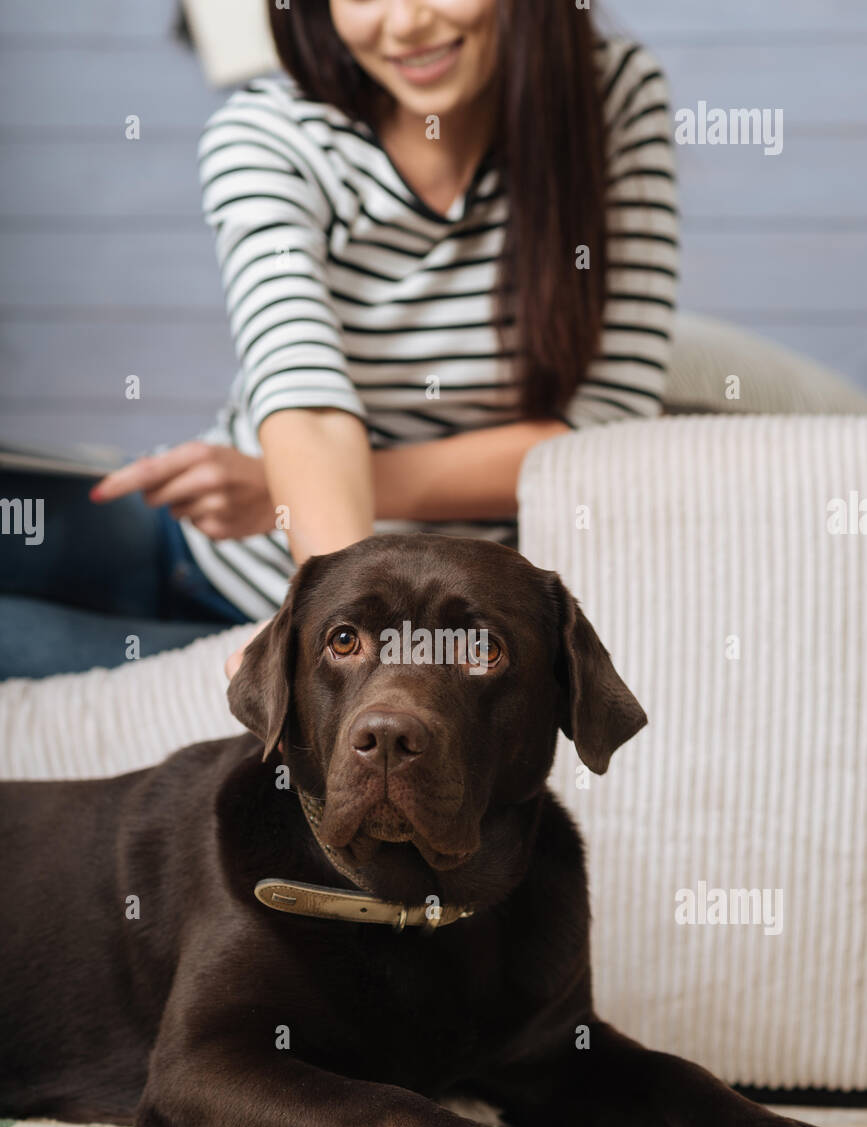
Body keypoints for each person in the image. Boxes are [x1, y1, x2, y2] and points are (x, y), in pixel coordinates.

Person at [0, 0, 677, 678]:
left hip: (353, 610)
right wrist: (295, 518)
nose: (405, 23)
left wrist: (341, 616)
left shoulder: (609, 94)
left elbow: (597, 432)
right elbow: (302, 396)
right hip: (207, 541)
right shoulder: (268, 129)